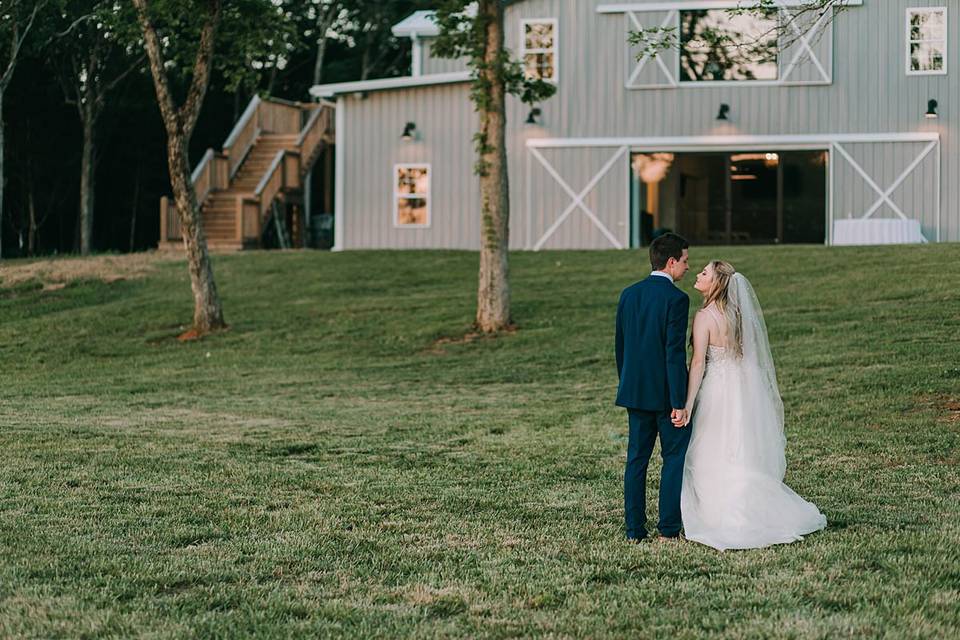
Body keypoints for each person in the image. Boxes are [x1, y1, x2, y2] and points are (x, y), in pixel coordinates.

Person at [678, 260, 827, 550]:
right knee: (740, 448)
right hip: (740, 389)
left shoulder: (704, 316)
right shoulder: (737, 315)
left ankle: (718, 514)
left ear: (716, 283)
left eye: (705, 273)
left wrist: (687, 402)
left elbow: (697, 364)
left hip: (717, 391)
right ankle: (747, 508)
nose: (698, 274)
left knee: (711, 447)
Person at [615, 233, 691, 541]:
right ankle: (668, 528)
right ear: (671, 262)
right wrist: (679, 401)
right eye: (685, 261)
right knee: (673, 459)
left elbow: (621, 346)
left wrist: (627, 381)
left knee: (636, 460)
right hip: (665, 395)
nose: (688, 267)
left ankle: (634, 530)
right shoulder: (677, 299)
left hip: (635, 391)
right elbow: (674, 354)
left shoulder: (629, 295)